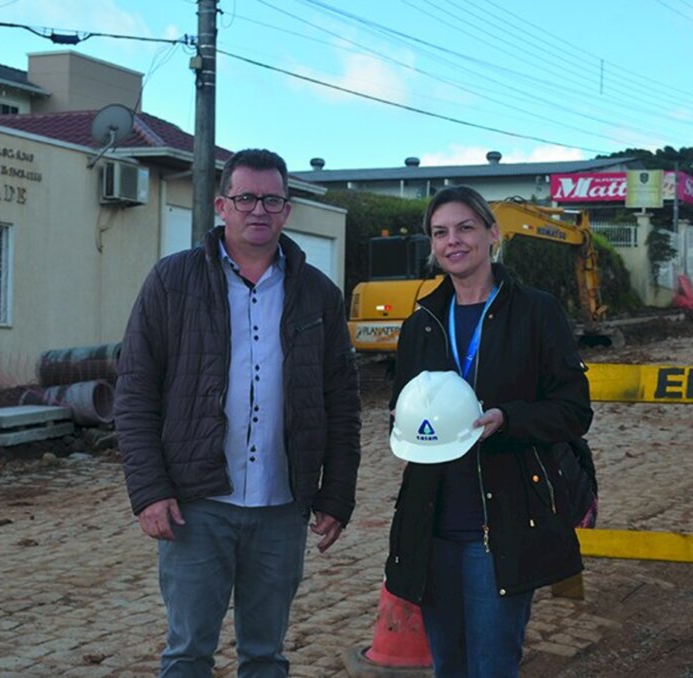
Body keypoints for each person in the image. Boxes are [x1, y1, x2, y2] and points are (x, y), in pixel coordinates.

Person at [115, 148, 362, 676]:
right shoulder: (172, 282)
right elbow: (135, 391)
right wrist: (150, 490)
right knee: (187, 653)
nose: (259, 210)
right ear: (222, 204)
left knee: (266, 656)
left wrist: (336, 492)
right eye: (246, 198)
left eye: (272, 199)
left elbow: (341, 403)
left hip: (280, 507)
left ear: (287, 210)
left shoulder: (318, 295)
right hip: (196, 505)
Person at [384, 186, 593, 677]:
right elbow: (404, 406)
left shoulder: (536, 311)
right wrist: (401, 418)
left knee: (491, 665)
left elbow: (572, 409)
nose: (452, 241)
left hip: (501, 524)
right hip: (432, 525)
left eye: (465, 228)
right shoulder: (423, 323)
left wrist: (508, 420)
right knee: (448, 667)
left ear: (492, 235)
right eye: (440, 233)